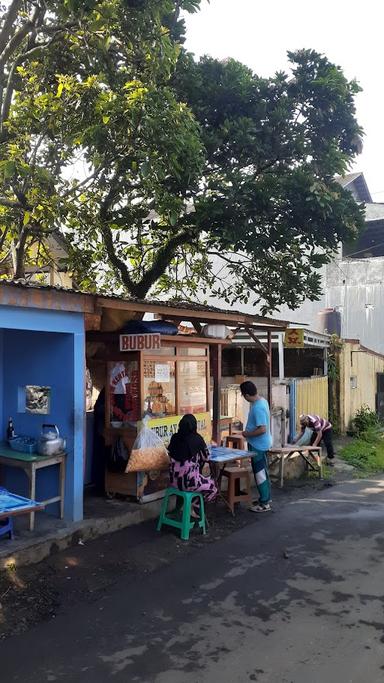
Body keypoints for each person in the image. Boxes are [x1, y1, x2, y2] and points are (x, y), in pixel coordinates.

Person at [168, 414, 218, 517]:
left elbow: (170, 452)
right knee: (213, 487)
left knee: (200, 481)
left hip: (174, 482)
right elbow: (206, 457)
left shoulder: (174, 437)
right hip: (189, 483)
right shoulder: (197, 439)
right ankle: (193, 507)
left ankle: (187, 506)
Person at [240, 381, 272, 513]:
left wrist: (247, 433)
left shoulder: (258, 407)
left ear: (247, 394)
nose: (244, 397)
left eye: (243, 395)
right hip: (261, 443)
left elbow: (262, 429)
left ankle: (264, 503)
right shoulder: (261, 401)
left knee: (260, 474)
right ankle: (266, 498)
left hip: (258, 445)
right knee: (263, 472)